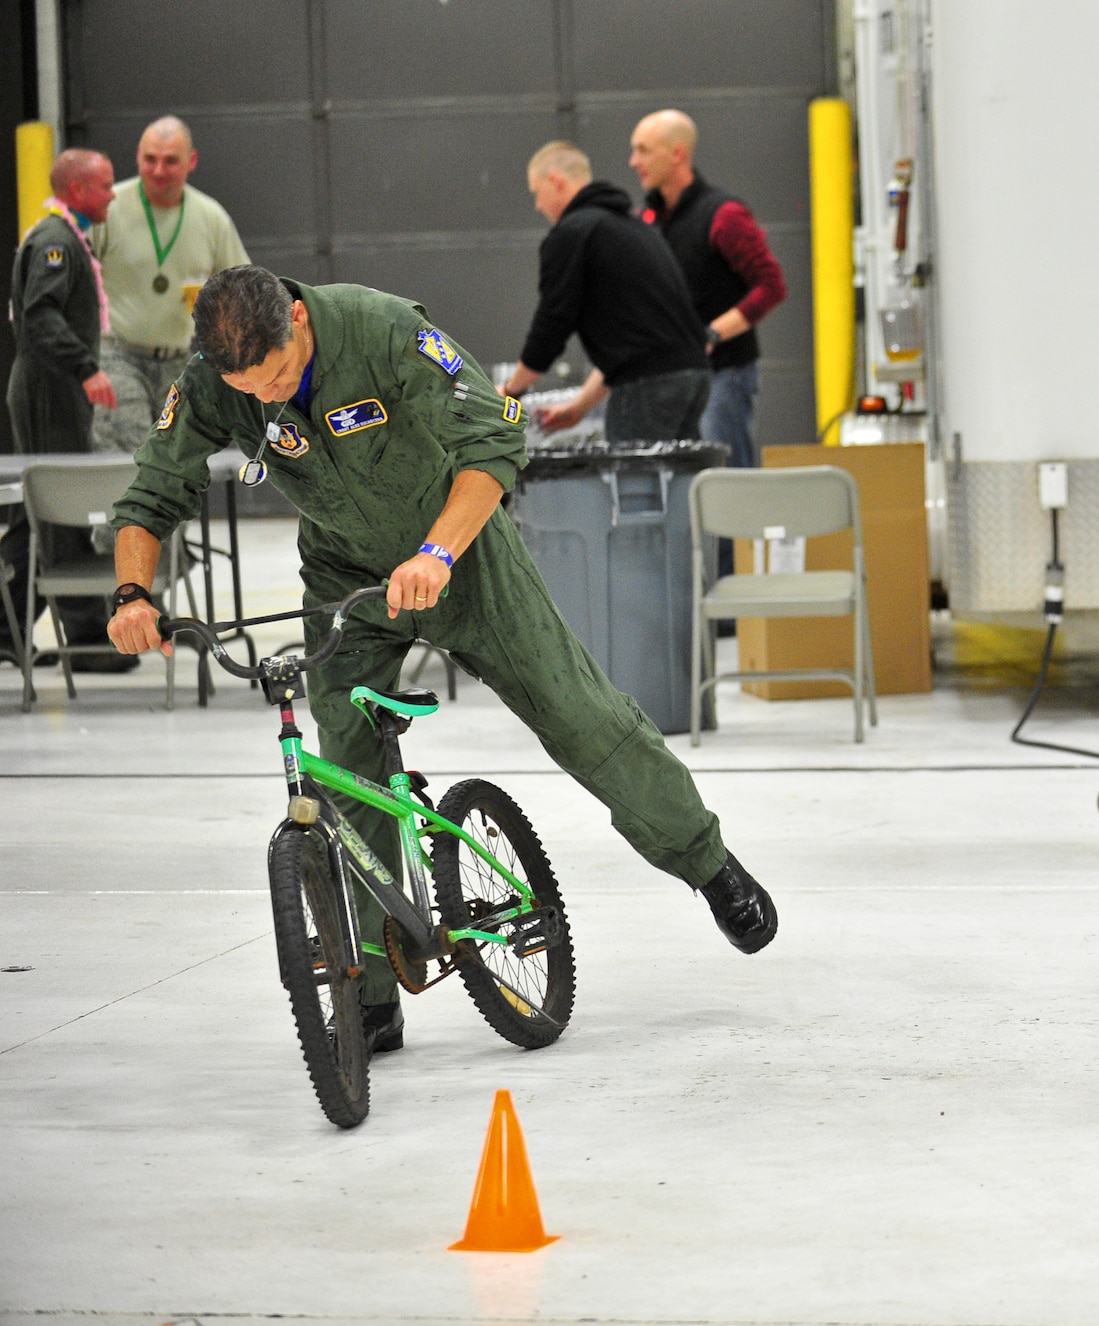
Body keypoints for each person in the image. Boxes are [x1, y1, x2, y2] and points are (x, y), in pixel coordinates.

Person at [107, 265, 778, 1054]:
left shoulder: (384, 329)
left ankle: (707, 862)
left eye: (281, 375)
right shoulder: (221, 378)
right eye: (250, 390)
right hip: (347, 578)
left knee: (578, 714)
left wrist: (436, 552)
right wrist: (131, 594)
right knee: (347, 765)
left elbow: (494, 440)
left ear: (298, 317)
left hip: (461, 555)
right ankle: (373, 990)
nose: (268, 397)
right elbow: (153, 491)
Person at [0, 147, 133, 670]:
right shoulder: (57, 243)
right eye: (103, 185)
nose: (111, 194)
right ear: (77, 190)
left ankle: (7, 628)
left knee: (36, 514)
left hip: (54, 389)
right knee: (57, 510)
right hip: (50, 389)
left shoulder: (64, 236)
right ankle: (86, 637)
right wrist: (86, 367)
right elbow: (41, 315)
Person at [504, 142, 711, 442]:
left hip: (648, 387)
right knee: (679, 484)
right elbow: (636, 343)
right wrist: (580, 407)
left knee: (635, 485)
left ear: (556, 180)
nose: (538, 205)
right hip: (693, 377)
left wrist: (511, 391)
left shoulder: (572, 233)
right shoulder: (632, 228)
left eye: (537, 193)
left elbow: (552, 323)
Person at [629, 108, 787, 469]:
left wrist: (714, 332)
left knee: (727, 480)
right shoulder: (647, 219)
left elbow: (771, 286)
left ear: (677, 153)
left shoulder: (723, 215)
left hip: (725, 374)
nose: (634, 161)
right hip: (672, 377)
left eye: (643, 150)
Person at [90, 116, 251, 455]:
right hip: (118, 355)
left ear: (191, 162)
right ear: (137, 157)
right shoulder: (108, 208)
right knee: (126, 456)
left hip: (179, 360)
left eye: (171, 161)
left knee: (175, 460)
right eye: (150, 159)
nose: (159, 170)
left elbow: (242, 290)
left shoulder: (211, 218)